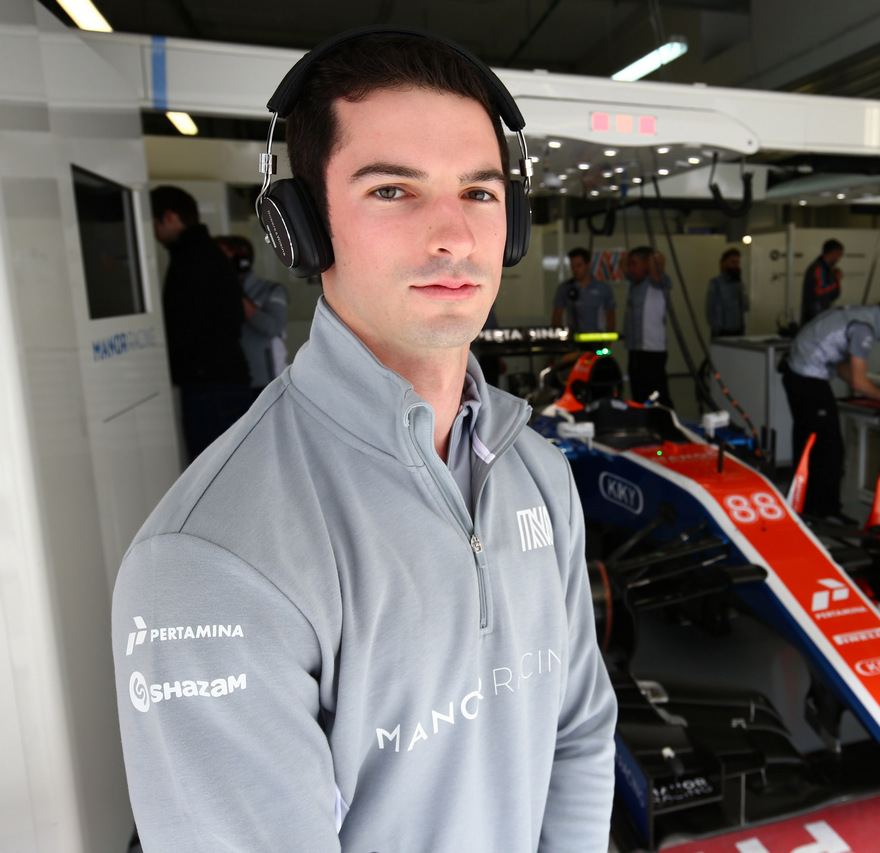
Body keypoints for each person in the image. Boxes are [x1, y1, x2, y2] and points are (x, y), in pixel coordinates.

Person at [114, 30, 617, 853]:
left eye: (481, 193)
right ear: (302, 229)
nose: (453, 234)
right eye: (393, 191)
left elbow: (579, 733)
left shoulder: (536, 471)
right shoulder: (206, 560)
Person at [781, 295, 880, 520]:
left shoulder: (854, 313)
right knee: (830, 449)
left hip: (796, 376)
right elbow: (858, 382)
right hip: (808, 379)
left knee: (809, 445)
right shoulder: (865, 328)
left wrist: (873, 390)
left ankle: (804, 506)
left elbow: (843, 368)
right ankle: (827, 511)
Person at [151, 185, 251, 462]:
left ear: (169, 217)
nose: (154, 234)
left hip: (209, 387)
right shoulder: (210, 254)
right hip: (225, 380)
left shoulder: (190, 260)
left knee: (213, 478)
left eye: (154, 224)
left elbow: (181, 327)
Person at [215, 234, 290, 393]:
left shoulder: (271, 290)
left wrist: (234, 291)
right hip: (227, 380)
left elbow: (273, 327)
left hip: (264, 381)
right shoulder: (215, 293)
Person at [622, 245, 673, 408]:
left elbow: (659, 260)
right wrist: (631, 260)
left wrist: (649, 257)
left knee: (657, 395)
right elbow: (622, 265)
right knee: (638, 393)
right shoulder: (635, 284)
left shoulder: (657, 283)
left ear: (646, 264)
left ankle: (666, 426)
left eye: (634, 264)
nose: (630, 268)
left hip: (652, 351)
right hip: (635, 349)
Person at [552, 247, 615, 333]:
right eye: (572, 266)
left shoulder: (603, 288)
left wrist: (607, 342)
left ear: (588, 265)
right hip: (573, 340)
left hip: (596, 339)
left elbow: (610, 318)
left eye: (579, 265)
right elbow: (556, 317)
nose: (575, 270)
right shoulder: (565, 288)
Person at [705, 247, 748, 337]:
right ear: (724, 264)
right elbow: (710, 310)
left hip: (738, 331)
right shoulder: (716, 283)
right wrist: (717, 329)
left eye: (737, 263)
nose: (736, 266)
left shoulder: (739, 284)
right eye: (732, 262)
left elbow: (745, 306)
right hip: (722, 332)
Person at [800, 238, 844, 324]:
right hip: (814, 317)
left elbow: (833, 296)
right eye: (839, 255)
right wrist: (836, 281)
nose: (839, 259)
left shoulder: (827, 269)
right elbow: (819, 291)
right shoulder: (818, 268)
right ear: (833, 252)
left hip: (820, 316)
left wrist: (836, 281)